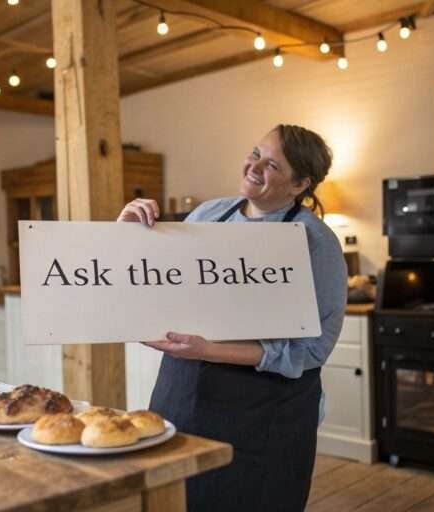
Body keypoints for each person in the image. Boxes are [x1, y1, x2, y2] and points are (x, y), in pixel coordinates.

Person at [116, 124, 347, 511]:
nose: (254, 166)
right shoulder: (208, 213)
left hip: (266, 411)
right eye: (255, 153)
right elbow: (159, 286)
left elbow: (314, 349)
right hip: (183, 393)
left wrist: (212, 349)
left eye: (272, 164)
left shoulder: (316, 242)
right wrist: (125, 234)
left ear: (300, 183)